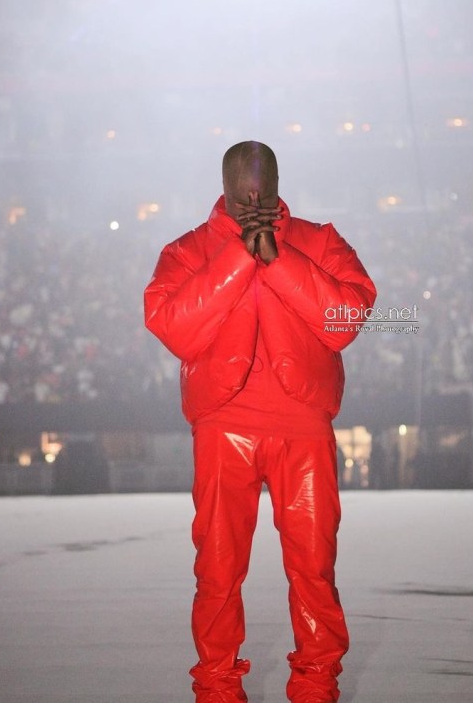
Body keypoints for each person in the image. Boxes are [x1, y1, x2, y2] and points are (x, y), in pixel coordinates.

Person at [144, 141, 376, 703]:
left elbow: (345, 320)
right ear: (222, 191)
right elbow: (173, 326)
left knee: (314, 570)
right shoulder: (188, 250)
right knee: (219, 573)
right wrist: (237, 257)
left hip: (303, 428)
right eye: (242, 197)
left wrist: (279, 258)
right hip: (224, 427)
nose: (252, 203)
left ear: (277, 187)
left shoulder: (319, 241)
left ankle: (316, 689)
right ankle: (219, 690)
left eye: (262, 194)